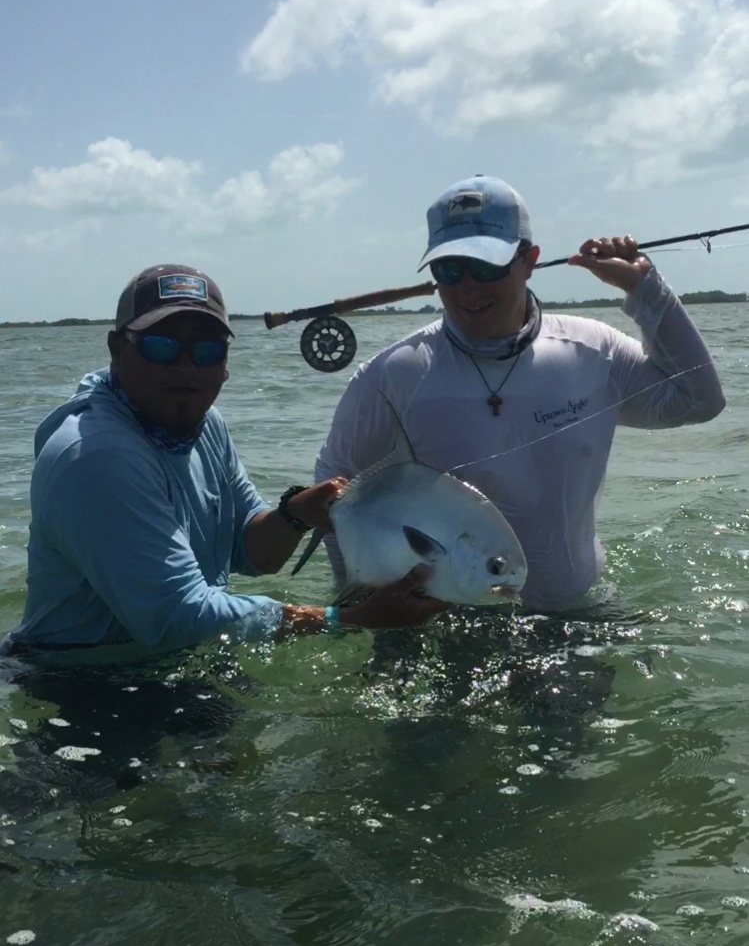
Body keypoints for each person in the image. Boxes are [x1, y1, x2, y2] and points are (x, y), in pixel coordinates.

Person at [315, 176, 726, 614]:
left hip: (577, 613)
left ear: (529, 259)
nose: (467, 288)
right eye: (448, 269)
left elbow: (699, 398)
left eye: (487, 266)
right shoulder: (394, 373)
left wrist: (646, 289)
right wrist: (361, 599)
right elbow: (335, 492)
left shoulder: (594, 351)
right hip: (442, 628)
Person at [4, 264, 444, 658]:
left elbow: (248, 551)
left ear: (226, 363)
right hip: (74, 692)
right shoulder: (95, 457)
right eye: (160, 346)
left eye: (207, 350)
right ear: (117, 349)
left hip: (171, 665)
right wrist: (346, 619)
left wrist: (297, 513)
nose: (186, 367)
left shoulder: (204, 423)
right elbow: (177, 615)